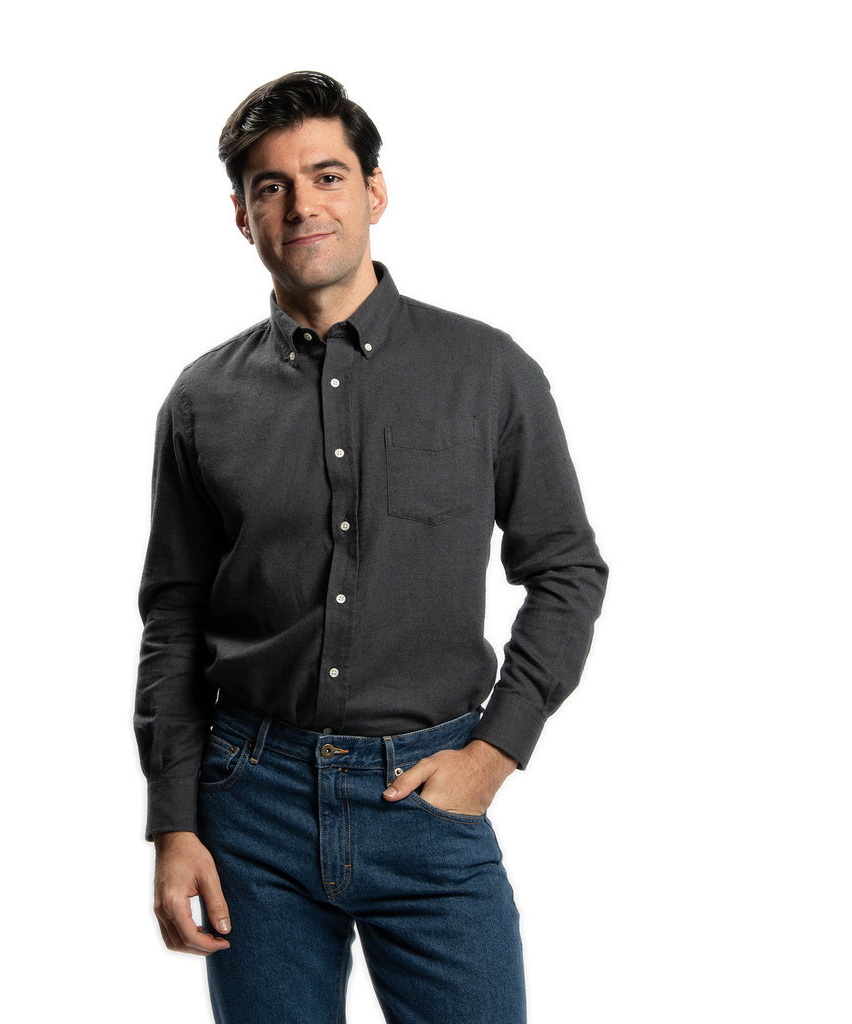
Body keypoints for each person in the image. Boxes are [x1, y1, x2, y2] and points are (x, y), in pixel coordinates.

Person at [134, 70, 608, 1024]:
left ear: (375, 191)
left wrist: (495, 751)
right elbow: (173, 621)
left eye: (328, 176)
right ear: (242, 215)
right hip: (251, 805)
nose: (302, 205)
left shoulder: (488, 371)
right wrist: (174, 822)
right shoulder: (201, 400)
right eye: (271, 186)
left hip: (427, 797)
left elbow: (566, 571)